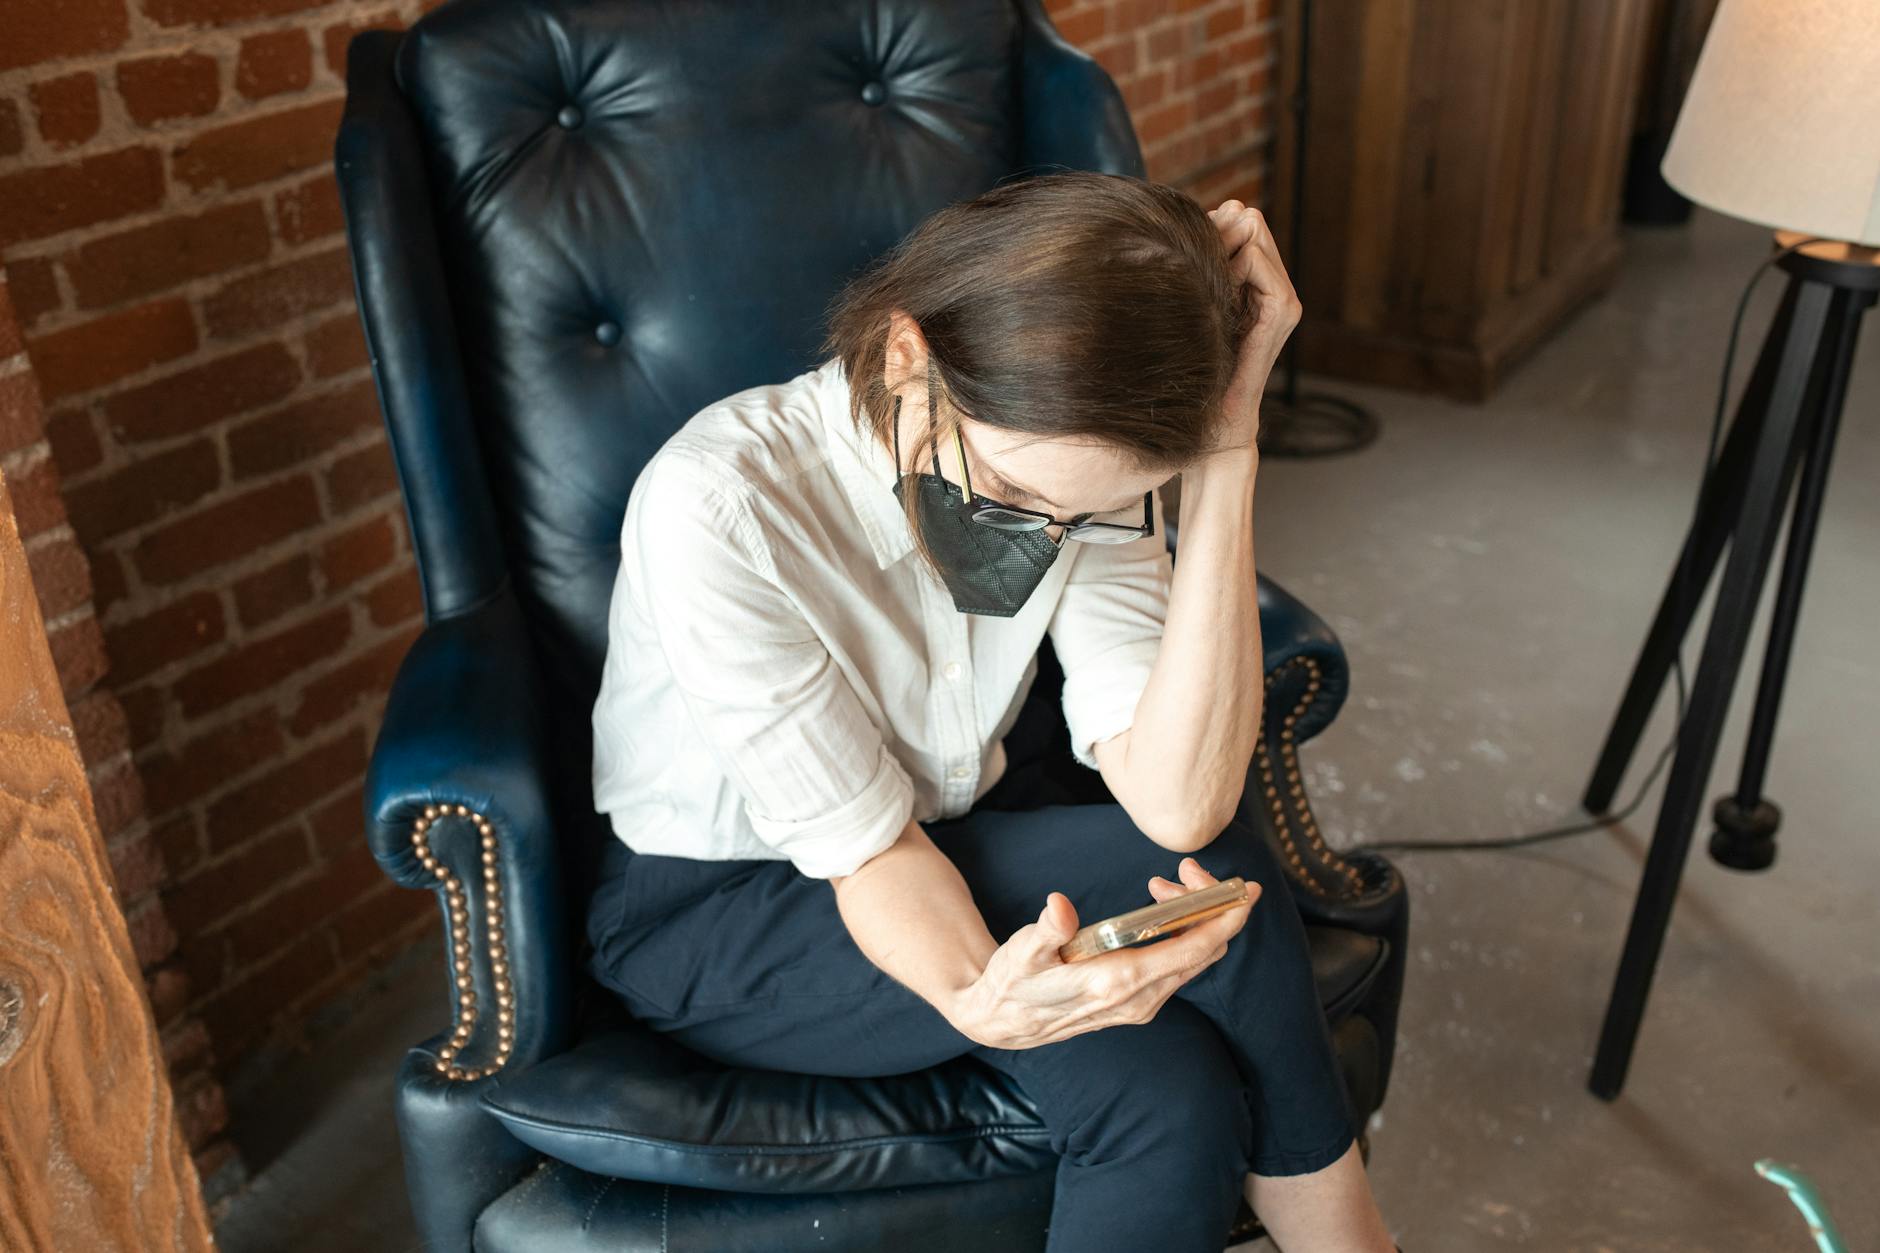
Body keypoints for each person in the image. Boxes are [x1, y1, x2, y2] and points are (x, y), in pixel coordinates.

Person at [587, 170, 1397, 1252]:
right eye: (1012, 496)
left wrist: (1230, 444)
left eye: (1084, 512)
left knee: (1170, 1096)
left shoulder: (1086, 467)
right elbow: (871, 855)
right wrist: (975, 995)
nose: (1038, 540)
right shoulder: (720, 505)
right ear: (904, 356)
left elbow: (1179, 797)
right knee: (1225, 901)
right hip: (725, 910)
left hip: (953, 840)